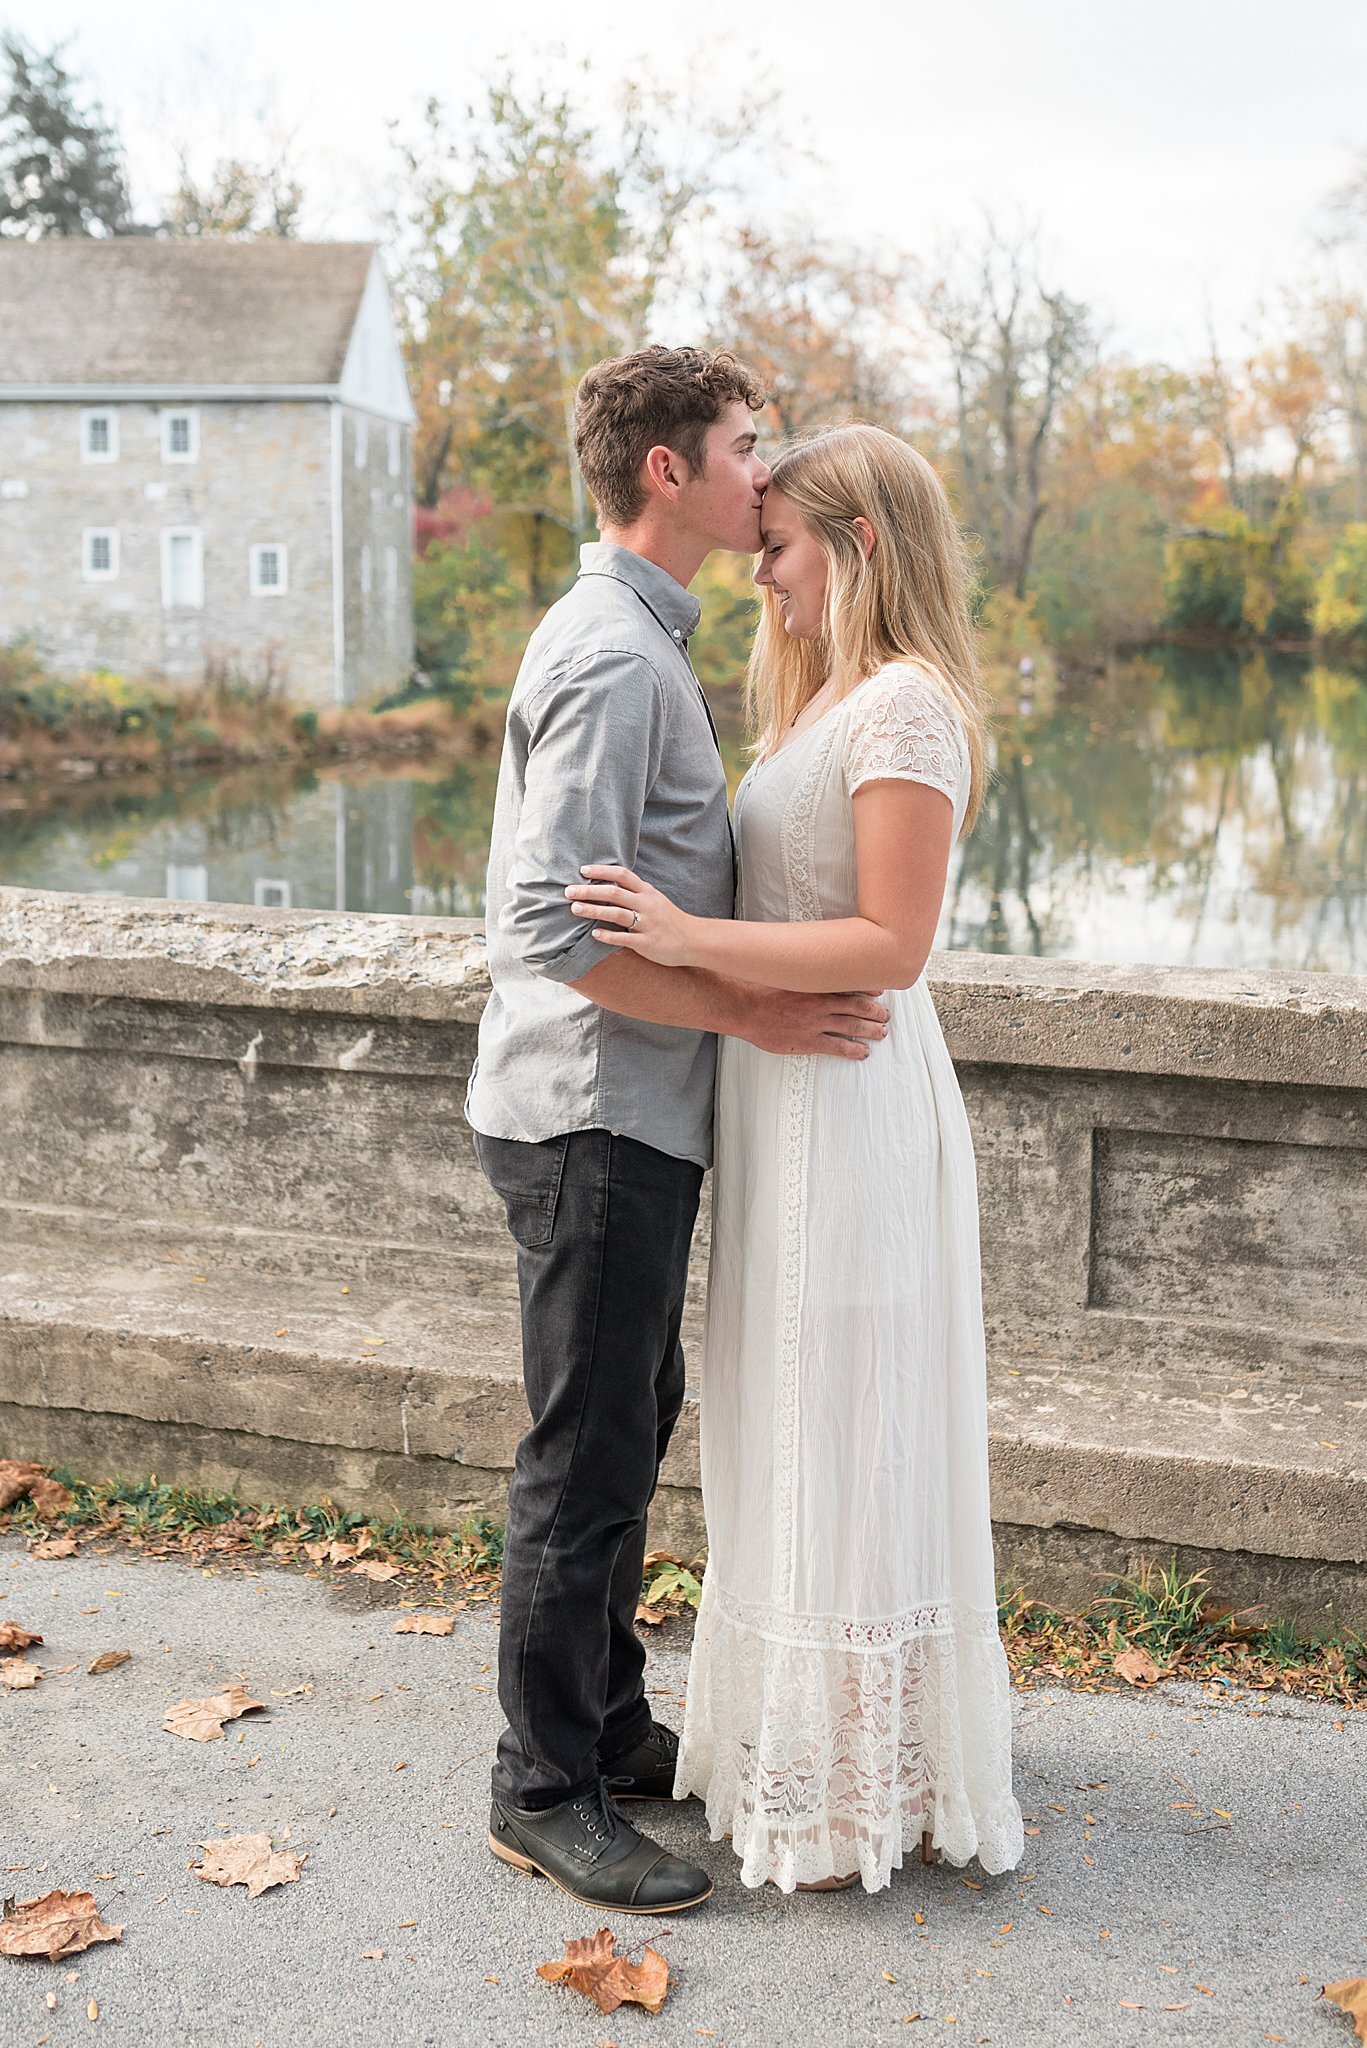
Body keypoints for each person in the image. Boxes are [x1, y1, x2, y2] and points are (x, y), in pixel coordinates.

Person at [565, 424, 1027, 1894]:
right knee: (786, 1410)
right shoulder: (827, 701)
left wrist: (689, 941)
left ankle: (855, 1787)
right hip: (779, 1105)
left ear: (865, 544)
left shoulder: (905, 710)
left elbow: (893, 941)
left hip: (851, 1101)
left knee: (846, 1415)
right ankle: (810, 1744)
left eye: (782, 545)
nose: (759, 572)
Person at [465, 349, 891, 1914]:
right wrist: (759, 1018)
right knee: (583, 1457)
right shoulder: (612, 655)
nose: (760, 469)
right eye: (740, 444)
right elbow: (540, 926)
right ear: (668, 471)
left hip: (629, 1114)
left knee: (627, 1425)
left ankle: (609, 1719)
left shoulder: (641, 641)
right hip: (592, 1113)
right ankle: (540, 1785)